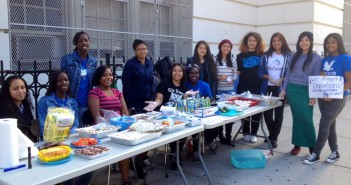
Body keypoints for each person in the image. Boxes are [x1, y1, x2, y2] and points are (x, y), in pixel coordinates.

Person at [303, 33, 351, 165]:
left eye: (333, 42)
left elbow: (349, 81)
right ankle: (335, 152)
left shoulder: (346, 59)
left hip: (339, 97)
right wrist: (320, 92)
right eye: (328, 43)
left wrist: (334, 94)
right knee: (330, 124)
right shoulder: (324, 60)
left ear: (339, 43)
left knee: (324, 123)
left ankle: (316, 153)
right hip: (324, 98)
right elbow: (322, 78)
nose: (330, 45)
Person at [143, 63, 196, 170]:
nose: (177, 73)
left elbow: (183, 105)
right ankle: (175, 155)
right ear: (171, 72)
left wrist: (186, 96)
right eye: (175, 70)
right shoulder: (164, 84)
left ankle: (176, 154)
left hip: (178, 117)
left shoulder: (184, 87)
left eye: (180, 71)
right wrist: (155, 103)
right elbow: (159, 99)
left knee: (184, 131)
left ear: (183, 73)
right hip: (164, 117)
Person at [280, 31, 322, 156]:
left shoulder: (316, 58)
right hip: (292, 90)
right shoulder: (293, 55)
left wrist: (313, 95)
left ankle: (312, 145)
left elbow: (315, 77)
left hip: (306, 91)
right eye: (302, 40)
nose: (304, 42)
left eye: (307, 40)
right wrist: (284, 89)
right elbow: (288, 74)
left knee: (307, 119)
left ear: (311, 42)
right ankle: (297, 144)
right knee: (297, 118)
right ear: (299, 42)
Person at [88, 65, 131, 185]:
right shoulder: (94, 93)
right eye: (104, 75)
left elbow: (125, 113)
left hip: (121, 128)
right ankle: (126, 181)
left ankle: (127, 179)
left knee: (128, 146)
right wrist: (111, 127)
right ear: (99, 77)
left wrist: (125, 125)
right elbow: (97, 119)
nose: (108, 77)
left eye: (110, 75)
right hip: (104, 131)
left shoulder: (117, 92)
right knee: (122, 148)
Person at [259, 32, 292, 148]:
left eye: (278, 40)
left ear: (282, 41)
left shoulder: (289, 56)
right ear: (271, 43)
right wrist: (268, 77)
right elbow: (260, 73)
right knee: (267, 113)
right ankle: (272, 135)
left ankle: (274, 138)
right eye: (274, 41)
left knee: (279, 113)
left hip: (281, 88)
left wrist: (282, 79)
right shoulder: (266, 56)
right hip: (267, 87)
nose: (276, 43)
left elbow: (291, 73)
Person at [61, 31, 97, 127]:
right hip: (71, 103)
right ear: (76, 44)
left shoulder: (93, 61)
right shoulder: (67, 60)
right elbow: (62, 81)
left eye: (86, 40)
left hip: (86, 103)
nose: (84, 43)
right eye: (80, 41)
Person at [184, 64, 218, 163]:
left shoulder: (204, 85)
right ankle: (195, 151)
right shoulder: (184, 85)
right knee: (196, 130)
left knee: (216, 127)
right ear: (187, 74)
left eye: (196, 73)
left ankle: (208, 139)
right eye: (191, 73)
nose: (194, 75)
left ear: (199, 74)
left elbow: (210, 100)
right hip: (189, 115)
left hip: (204, 113)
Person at [236, 32, 265, 143]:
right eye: (250, 40)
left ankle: (254, 133)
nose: (252, 43)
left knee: (257, 112)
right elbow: (238, 71)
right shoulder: (240, 56)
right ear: (246, 42)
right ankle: (245, 132)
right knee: (245, 111)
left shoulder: (262, 55)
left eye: (254, 41)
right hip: (243, 88)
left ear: (257, 42)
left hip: (257, 88)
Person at [37, 70, 79, 138]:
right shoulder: (44, 102)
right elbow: (43, 127)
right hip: (51, 140)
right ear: (54, 84)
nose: (64, 83)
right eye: (60, 81)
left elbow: (75, 124)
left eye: (66, 80)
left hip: (69, 138)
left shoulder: (73, 102)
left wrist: (67, 135)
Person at [215, 39, 238, 146]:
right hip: (220, 90)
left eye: (228, 46)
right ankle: (221, 136)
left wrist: (232, 79)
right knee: (220, 112)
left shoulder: (232, 60)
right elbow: (213, 74)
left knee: (229, 113)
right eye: (224, 46)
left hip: (230, 89)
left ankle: (228, 136)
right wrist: (219, 77)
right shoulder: (215, 60)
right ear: (220, 47)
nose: (226, 48)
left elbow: (235, 74)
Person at [122, 39, 155, 114]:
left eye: (144, 49)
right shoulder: (130, 64)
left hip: (148, 101)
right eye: (139, 49)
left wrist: (152, 98)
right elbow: (127, 85)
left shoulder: (150, 64)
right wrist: (129, 105)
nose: (142, 51)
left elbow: (151, 82)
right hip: (135, 102)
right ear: (134, 51)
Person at [0, 75, 36, 142]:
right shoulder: (3, 109)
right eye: (15, 89)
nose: (20, 91)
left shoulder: (25, 105)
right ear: (8, 91)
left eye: (23, 87)